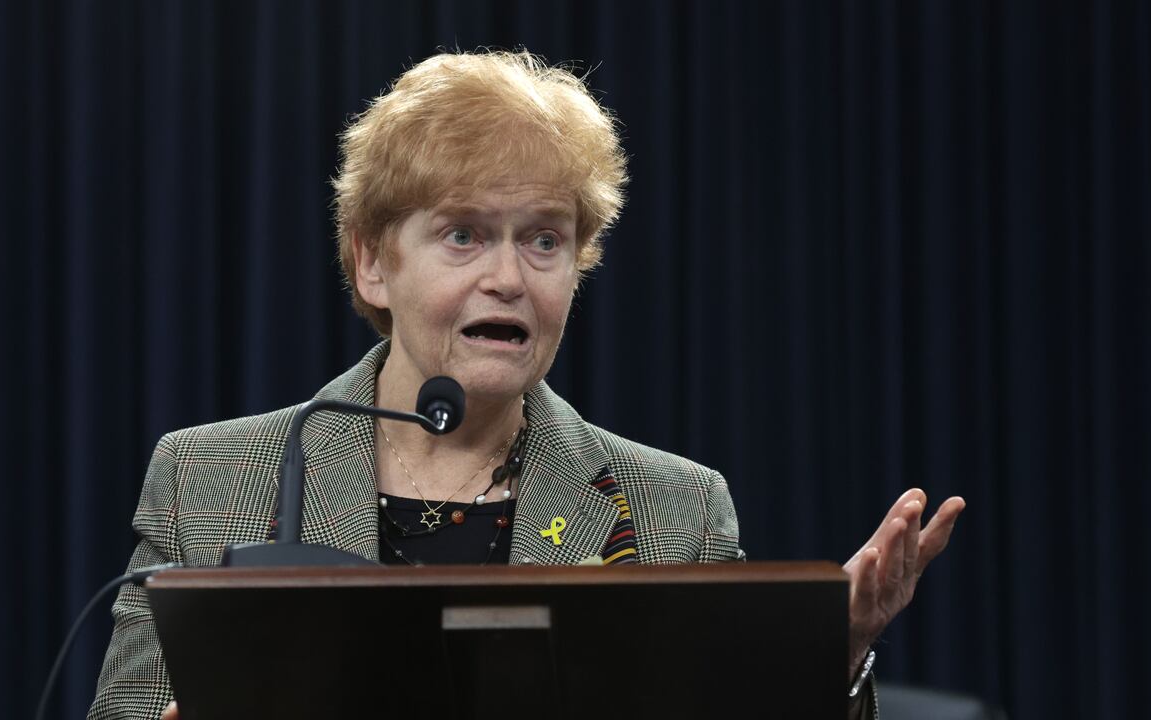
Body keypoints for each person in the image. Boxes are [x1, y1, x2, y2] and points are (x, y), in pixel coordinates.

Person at [87, 49, 965, 720]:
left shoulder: (671, 510)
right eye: (463, 235)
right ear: (372, 263)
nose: (510, 276)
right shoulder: (211, 481)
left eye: (545, 239)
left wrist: (831, 655)